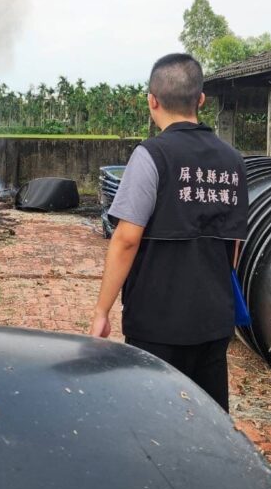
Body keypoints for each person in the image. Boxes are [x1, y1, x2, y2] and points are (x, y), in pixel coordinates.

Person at [89, 53, 248, 412]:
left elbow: (127, 239)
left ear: (152, 101)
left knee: (155, 418)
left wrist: (102, 310)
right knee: (206, 417)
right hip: (213, 320)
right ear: (201, 100)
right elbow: (233, 245)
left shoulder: (152, 155)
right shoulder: (233, 161)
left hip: (156, 322)